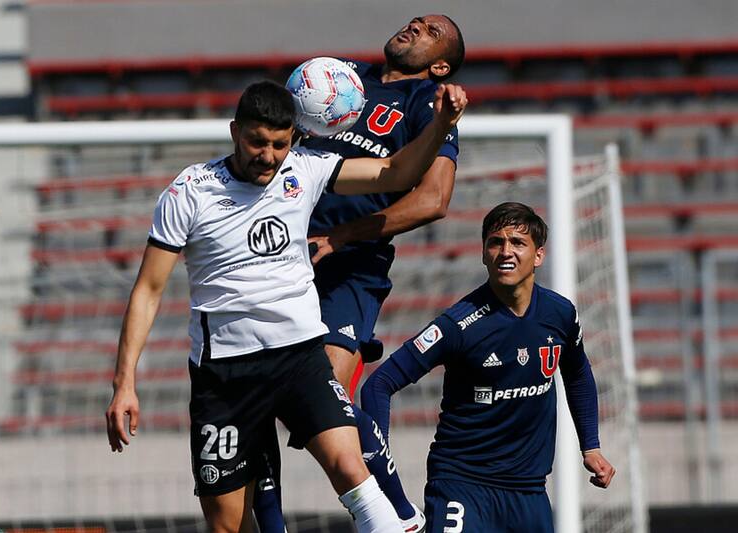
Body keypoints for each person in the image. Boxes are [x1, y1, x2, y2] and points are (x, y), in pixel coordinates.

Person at [104, 80, 467, 533]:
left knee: (351, 469)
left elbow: (393, 170)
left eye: (279, 144)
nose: (269, 155)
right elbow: (148, 290)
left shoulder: (306, 169)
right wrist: (125, 383)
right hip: (225, 377)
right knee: (227, 524)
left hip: (300, 359)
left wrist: (440, 126)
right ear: (235, 131)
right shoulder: (190, 192)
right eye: (257, 142)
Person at [253, 15, 466, 532]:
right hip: (276, 252)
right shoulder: (338, 77)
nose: (416, 25)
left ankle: (400, 516)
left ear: (441, 65)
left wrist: (343, 237)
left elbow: (434, 200)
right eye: (416, 20)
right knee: (253, 393)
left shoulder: (427, 107)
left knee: (324, 395)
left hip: (349, 265)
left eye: (432, 31)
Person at [360, 202, 616, 532]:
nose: (505, 251)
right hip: (462, 485)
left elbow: (578, 372)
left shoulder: (560, 314)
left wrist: (590, 445)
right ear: (483, 253)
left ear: (539, 255)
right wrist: (382, 471)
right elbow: (378, 384)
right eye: (496, 242)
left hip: (529, 492)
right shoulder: (458, 324)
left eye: (518, 243)